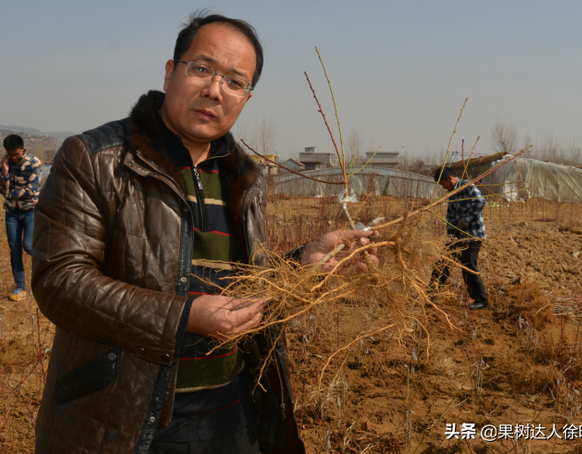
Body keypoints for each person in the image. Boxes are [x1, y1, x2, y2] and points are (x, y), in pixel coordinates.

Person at [32, 11, 375, 454]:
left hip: (230, 411)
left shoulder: (245, 177)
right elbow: (60, 282)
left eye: (235, 81)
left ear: (246, 97)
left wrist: (302, 263)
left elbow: (241, 279)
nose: (215, 90)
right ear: (171, 72)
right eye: (202, 69)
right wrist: (183, 319)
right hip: (124, 416)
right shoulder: (96, 159)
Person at [432, 167, 489, 310]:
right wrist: (451, 234)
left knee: (468, 267)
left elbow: (480, 201)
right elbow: (450, 215)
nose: (443, 187)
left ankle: (481, 300)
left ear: (450, 178)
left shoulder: (467, 186)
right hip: (457, 237)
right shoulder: (452, 193)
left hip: (472, 236)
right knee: (443, 263)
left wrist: (466, 219)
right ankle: (431, 293)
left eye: (443, 183)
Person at [0, 134, 42, 301]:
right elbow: (1, 190)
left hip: (30, 211)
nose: (13, 158)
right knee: (14, 250)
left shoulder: (34, 163)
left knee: (29, 246)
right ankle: (20, 287)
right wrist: (5, 173)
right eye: (10, 155)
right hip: (11, 213)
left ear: (23, 149)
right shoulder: (5, 164)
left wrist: (11, 194)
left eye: (16, 154)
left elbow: (32, 190)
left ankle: (47, 274)